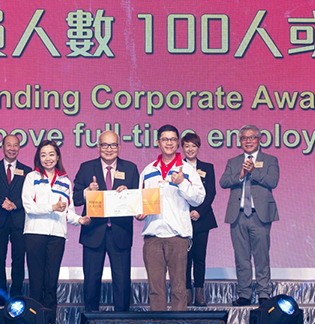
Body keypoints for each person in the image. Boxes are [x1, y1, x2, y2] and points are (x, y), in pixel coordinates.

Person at [136, 125, 205, 311]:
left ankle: (179, 321)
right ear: (158, 142)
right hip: (152, 237)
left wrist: (182, 183)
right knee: (155, 290)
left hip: (178, 237)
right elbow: (140, 200)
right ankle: (157, 321)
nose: (169, 143)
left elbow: (199, 198)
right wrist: (139, 212)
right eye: (165, 139)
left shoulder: (187, 169)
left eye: (173, 139)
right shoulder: (148, 170)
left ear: (177, 143)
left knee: (179, 289)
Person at [22, 140, 91, 317]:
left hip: (57, 236)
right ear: (38, 158)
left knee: (51, 283)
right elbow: (29, 207)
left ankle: (50, 319)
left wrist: (80, 220)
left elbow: (68, 211)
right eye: (43, 155)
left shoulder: (65, 181)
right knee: (36, 282)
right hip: (35, 234)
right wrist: (52, 207)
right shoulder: (31, 177)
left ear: (58, 157)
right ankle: (35, 319)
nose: (48, 158)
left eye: (51, 154)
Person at [73, 131, 140, 312]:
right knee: (91, 281)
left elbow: (138, 200)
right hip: (93, 232)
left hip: (120, 232)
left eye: (113, 145)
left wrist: (128, 194)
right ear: (98, 147)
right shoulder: (86, 168)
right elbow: (75, 199)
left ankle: (122, 319)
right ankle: (90, 319)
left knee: (122, 281)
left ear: (119, 146)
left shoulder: (130, 168)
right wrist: (87, 191)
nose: (109, 149)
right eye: (105, 145)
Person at [219, 125, 279, 306]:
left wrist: (253, 172)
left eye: (252, 137)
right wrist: (240, 175)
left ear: (259, 140)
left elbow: (273, 181)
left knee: (261, 257)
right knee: (241, 258)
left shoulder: (270, 160)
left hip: (260, 215)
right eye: (244, 138)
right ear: (240, 141)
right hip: (237, 216)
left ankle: (263, 294)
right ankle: (244, 294)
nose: (248, 141)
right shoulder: (233, 161)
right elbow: (223, 182)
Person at [0, 134, 32, 305]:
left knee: (18, 259)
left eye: (15, 145)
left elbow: (30, 195)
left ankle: (16, 294)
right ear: (3, 147)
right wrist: (1, 202)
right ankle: (1, 296)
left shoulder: (27, 171)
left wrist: (15, 204)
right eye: (9, 145)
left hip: (19, 220)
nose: (12, 148)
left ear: (19, 147)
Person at [181, 133, 217, 307]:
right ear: (182, 148)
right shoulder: (177, 167)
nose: (190, 149)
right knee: (185, 259)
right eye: (187, 146)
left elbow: (211, 193)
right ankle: (186, 292)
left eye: (193, 146)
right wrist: (188, 212)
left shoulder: (207, 167)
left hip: (202, 219)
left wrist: (199, 212)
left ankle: (199, 292)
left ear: (198, 147)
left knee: (200, 257)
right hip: (182, 219)